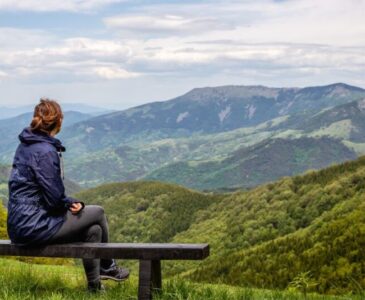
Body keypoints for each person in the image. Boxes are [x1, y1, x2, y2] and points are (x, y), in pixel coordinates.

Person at [7, 98, 129, 292]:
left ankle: (95, 288)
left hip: (19, 224)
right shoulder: (45, 151)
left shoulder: (26, 145)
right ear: (59, 121)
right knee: (98, 212)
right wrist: (71, 203)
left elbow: (44, 192)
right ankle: (108, 265)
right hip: (33, 226)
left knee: (94, 231)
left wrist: (68, 203)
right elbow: (54, 199)